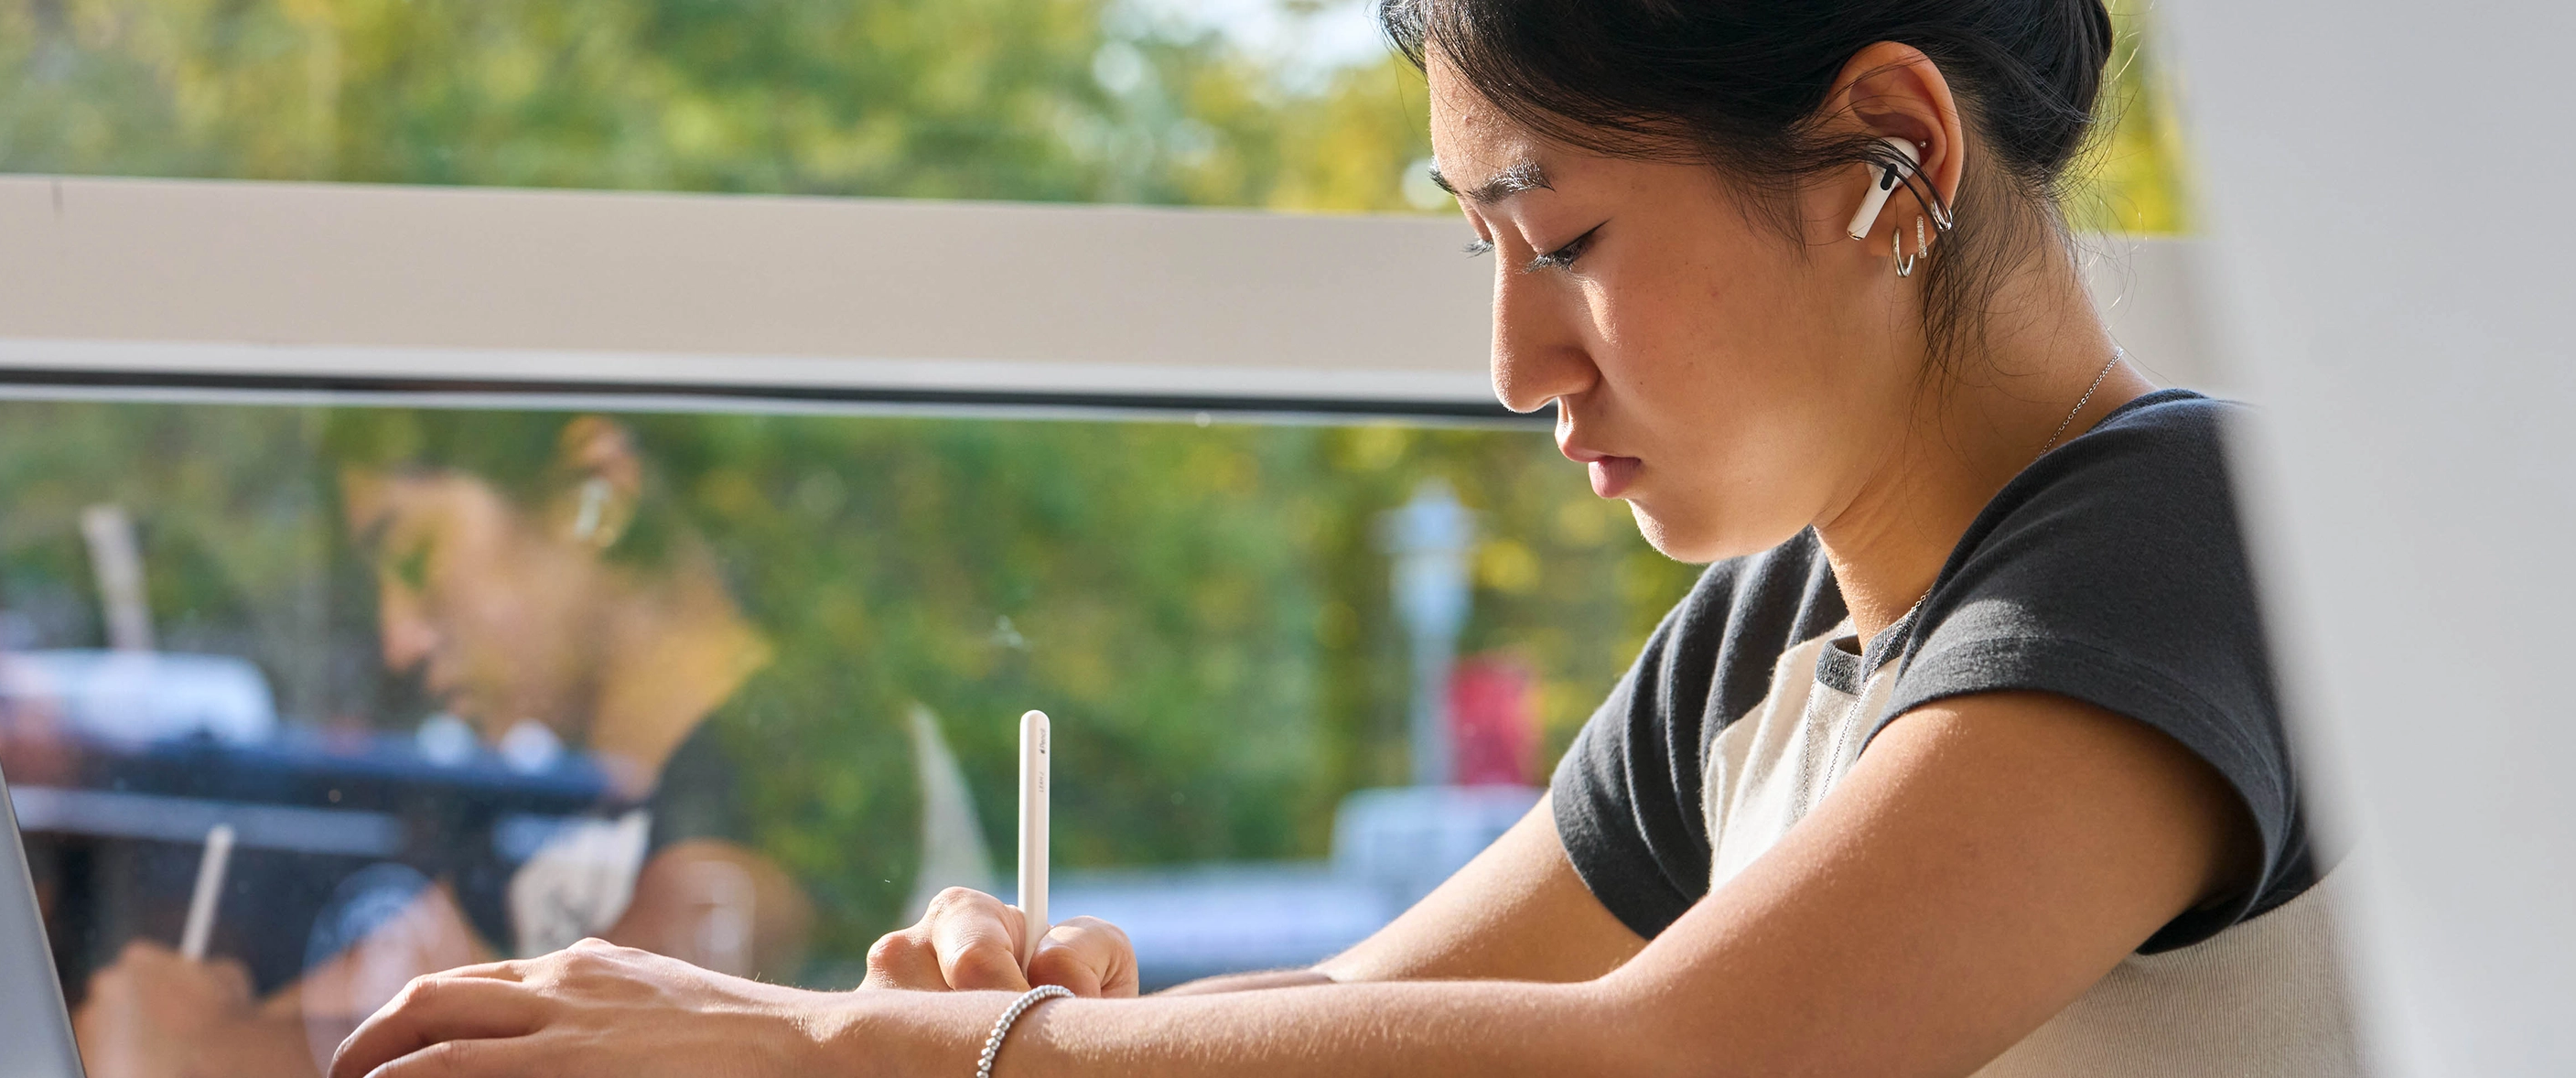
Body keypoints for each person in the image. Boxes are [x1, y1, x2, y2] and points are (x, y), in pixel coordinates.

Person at [319, 1, 2355, 1075]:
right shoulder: (1768, 643)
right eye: (1483, 250)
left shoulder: (2190, 543)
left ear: (1889, 157)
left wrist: (864, 1055)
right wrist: (1025, 1023)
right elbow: (1384, 1015)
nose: (1514, 361)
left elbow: (1668, 1061)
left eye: (1565, 236)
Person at [0, 415, 814, 1078]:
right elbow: (342, 1020)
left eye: (414, 554)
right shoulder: (588, 826)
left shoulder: (751, 829)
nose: (401, 638)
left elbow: (634, 1029)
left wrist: (210, 1051)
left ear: (592, 494)